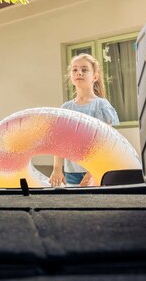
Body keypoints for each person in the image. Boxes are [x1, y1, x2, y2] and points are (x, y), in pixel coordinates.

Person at [49, 53, 119, 187]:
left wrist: (92, 172)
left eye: (84, 69)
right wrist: (57, 169)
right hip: (72, 172)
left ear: (95, 76)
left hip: (97, 171)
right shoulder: (65, 108)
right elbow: (59, 141)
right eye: (74, 69)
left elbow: (107, 143)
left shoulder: (102, 106)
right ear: (71, 76)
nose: (79, 73)